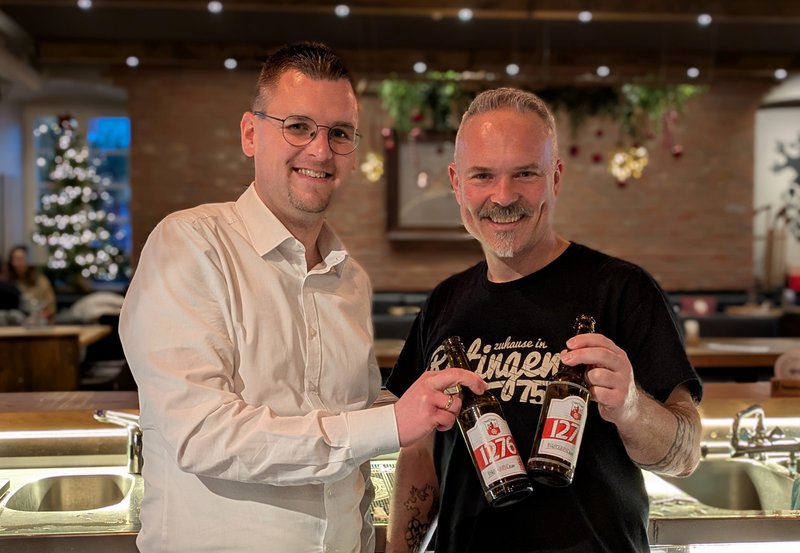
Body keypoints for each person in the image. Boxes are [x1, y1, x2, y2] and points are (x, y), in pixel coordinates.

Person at [118, 41, 486, 553]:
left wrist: (422, 404)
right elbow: (202, 434)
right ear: (251, 133)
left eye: (339, 133)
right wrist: (391, 422)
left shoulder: (350, 279)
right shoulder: (191, 245)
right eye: (298, 126)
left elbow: (349, 438)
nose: (320, 151)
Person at [384, 88, 703, 553]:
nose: (503, 196)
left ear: (555, 177)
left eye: (525, 173)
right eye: (483, 175)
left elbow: (686, 455)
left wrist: (631, 408)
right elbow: (420, 458)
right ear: (456, 183)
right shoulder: (443, 303)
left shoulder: (622, 290)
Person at [6, 244, 57, 319]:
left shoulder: (41, 281)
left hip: (36, 321)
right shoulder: (6, 282)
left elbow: (51, 307)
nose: (19, 263)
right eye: (16, 259)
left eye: (22, 259)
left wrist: (42, 314)